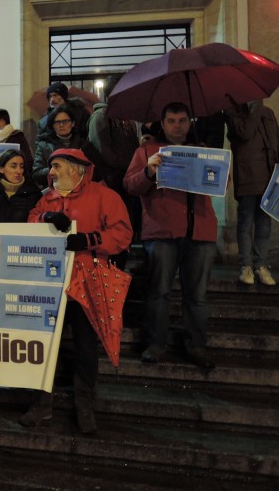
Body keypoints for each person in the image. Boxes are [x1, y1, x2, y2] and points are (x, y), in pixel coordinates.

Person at [26, 148, 132, 434]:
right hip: (50, 282)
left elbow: (122, 234)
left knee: (85, 346)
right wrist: (46, 217)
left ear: (76, 169)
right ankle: (41, 403)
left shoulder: (104, 196)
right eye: (51, 167)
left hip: (88, 281)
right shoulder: (46, 198)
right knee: (45, 344)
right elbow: (31, 221)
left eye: (57, 166)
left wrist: (88, 240)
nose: (51, 172)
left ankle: (85, 406)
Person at [124, 102, 217, 370]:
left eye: (182, 120)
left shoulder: (202, 151)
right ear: (163, 124)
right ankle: (156, 343)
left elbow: (221, 184)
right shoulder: (146, 151)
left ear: (190, 122)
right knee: (159, 292)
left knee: (197, 295)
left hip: (200, 231)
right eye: (172, 121)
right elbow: (130, 185)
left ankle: (196, 345)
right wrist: (148, 171)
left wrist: (214, 166)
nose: (177, 126)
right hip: (162, 231)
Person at [224, 100, 278, 286]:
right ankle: (246, 266)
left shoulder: (267, 113)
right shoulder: (233, 113)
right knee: (246, 221)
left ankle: (261, 265)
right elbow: (245, 133)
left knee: (264, 222)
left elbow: (275, 140)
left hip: (268, 175)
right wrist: (255, 111)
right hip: (247, 176)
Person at [87, 88, 142, 247]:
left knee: (127, 220)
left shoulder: (126, 118)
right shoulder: (101, 116)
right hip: (111, 179)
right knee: (112, 220)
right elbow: (101, 149)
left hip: (126, 178)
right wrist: (127, 165)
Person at [32, 105, 104, 189]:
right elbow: (36, 174)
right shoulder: (44, 146)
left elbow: (98, 171)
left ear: (73, 123)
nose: (61, 125)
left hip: (82, 189)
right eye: (57, 122)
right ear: (52, 125)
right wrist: (56, 168)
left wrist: (79, 170)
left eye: (65, 121)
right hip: (54, 190)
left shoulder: (84, 145)